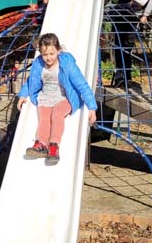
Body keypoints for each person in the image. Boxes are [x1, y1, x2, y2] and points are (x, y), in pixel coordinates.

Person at [17, 32, 97, 164]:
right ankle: (41, 144)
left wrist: (92, 107)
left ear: (58, 50)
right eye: (45, 54)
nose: (48, 58)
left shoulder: (66, 64)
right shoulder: (38, 64)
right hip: (45, 97)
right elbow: (31, 81)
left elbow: (82, 84)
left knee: (57, 114)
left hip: (64, 98)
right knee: (44, 118)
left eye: (51, 54)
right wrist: (22, 95)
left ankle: (54, 146)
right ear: (40, 53)